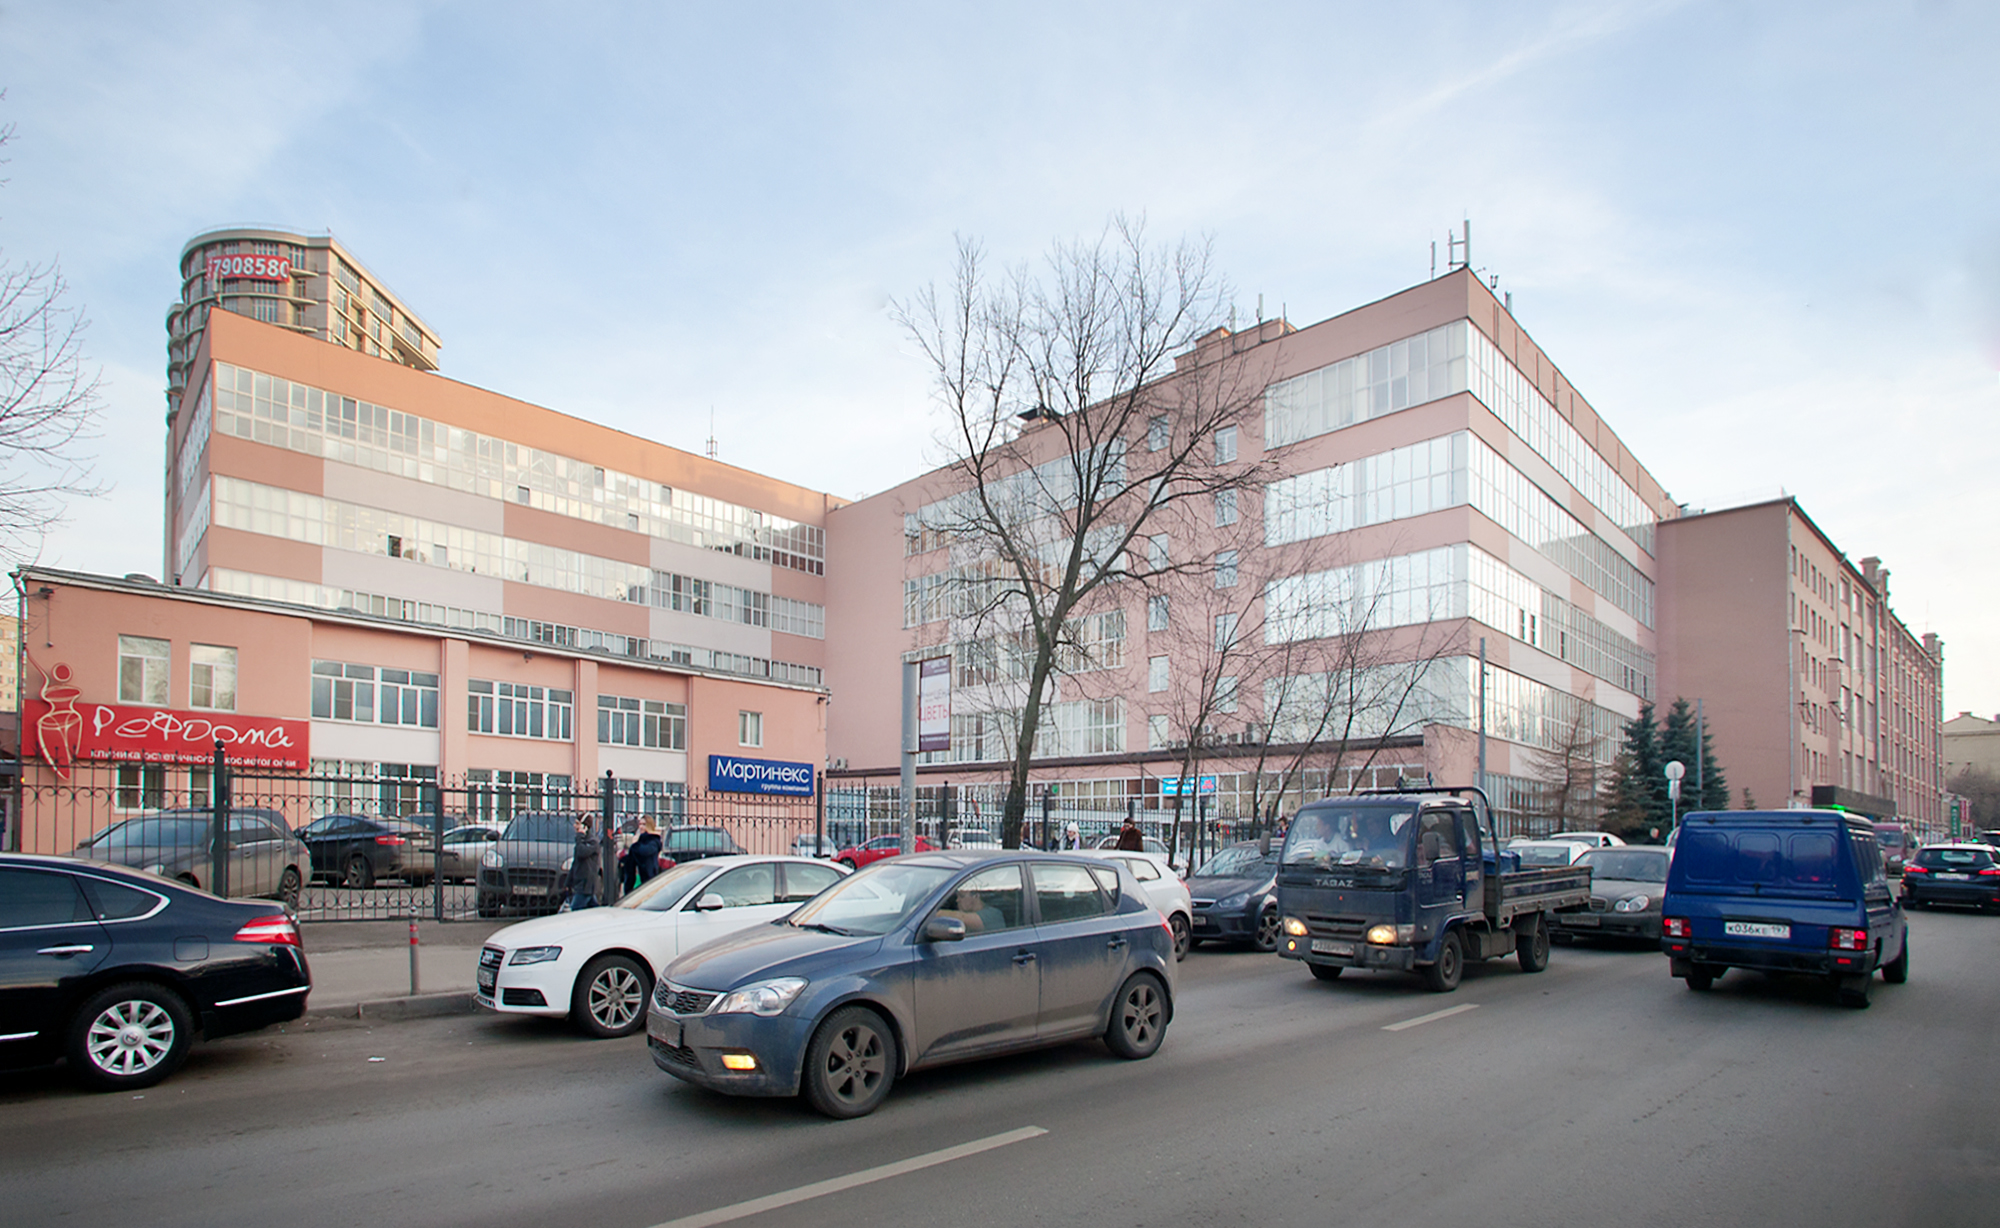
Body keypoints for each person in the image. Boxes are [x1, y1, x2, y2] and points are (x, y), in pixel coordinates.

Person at [568, 816, 601, 911]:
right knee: (593, 909)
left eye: (577, 824)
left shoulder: (592, 842)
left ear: (585, 827)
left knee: (576, 910)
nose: (574, 826)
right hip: (581, 883)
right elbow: (576, 862)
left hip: (586, 885)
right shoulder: (581, 841)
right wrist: (568, 882)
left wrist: (580, 835)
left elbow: (582, 852)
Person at [621, 817, 663, 890]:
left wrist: (635, 844)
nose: (641, 827)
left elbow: (645, 851)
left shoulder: (653, 840)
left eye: (644, 824)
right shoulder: (640, 841)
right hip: (639, 879)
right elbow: (631, 860)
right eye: (640, 824)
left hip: (650, 879)